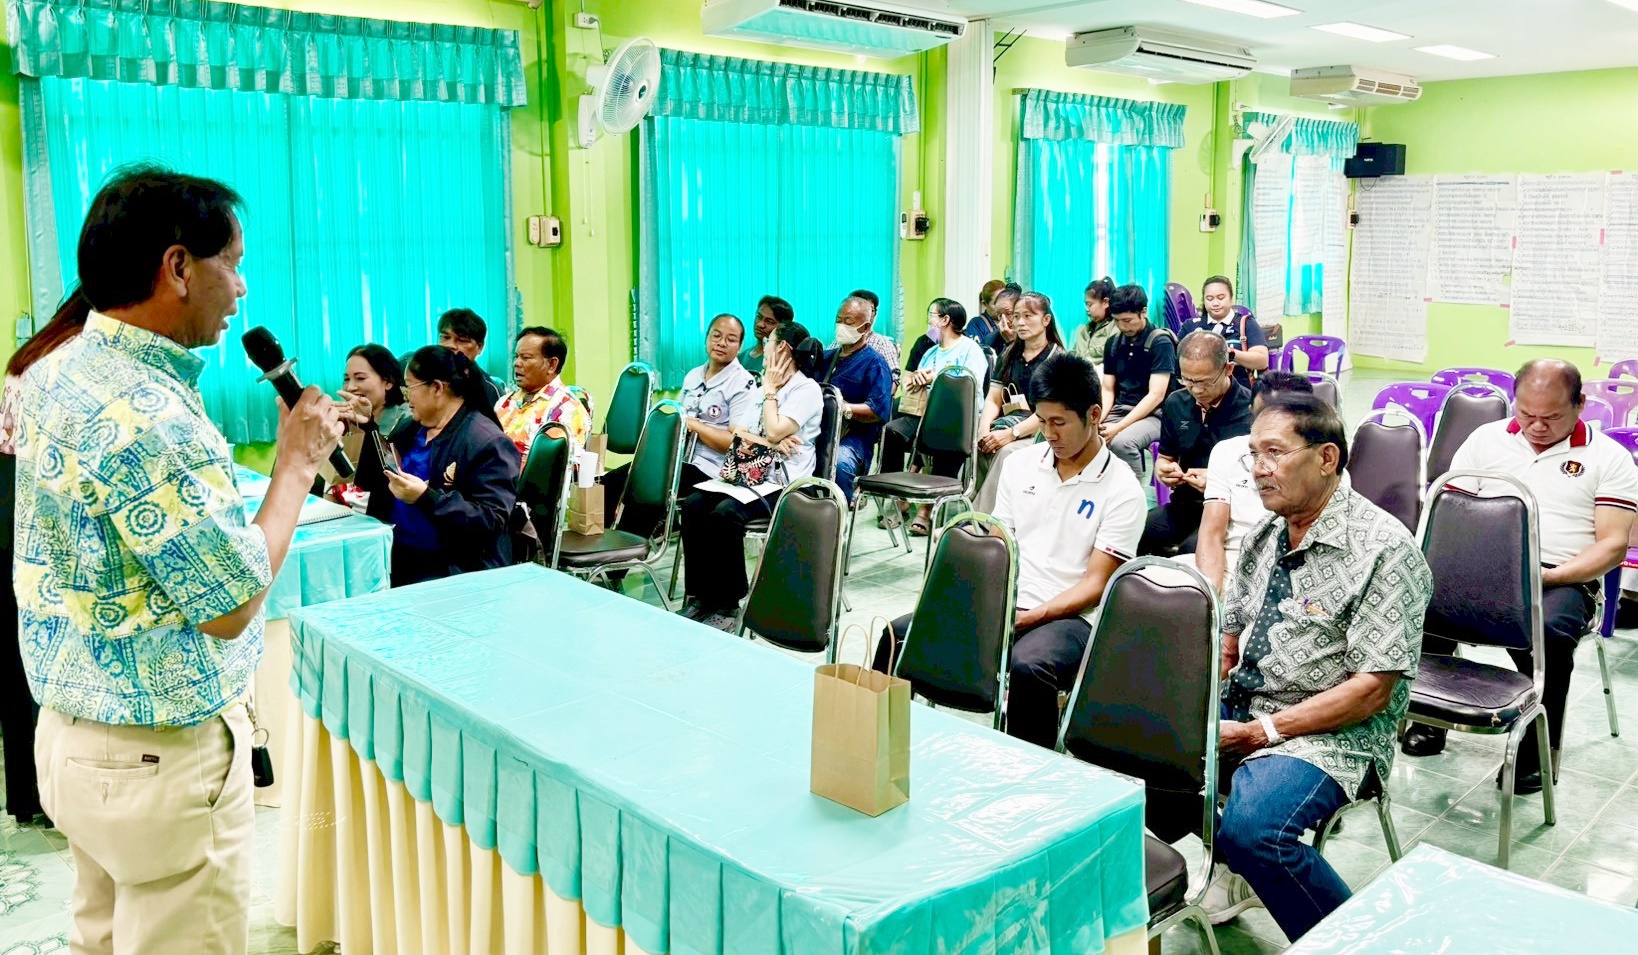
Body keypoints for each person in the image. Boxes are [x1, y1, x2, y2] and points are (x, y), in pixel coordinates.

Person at [16, 167, 345, 954]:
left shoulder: (54, 371)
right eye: (233, 263)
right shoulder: (150, 411)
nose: (241, 289)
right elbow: (229, 606)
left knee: (101, 933)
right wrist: (296, 465)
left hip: (72, 734)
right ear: (178, 268)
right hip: (158, 756)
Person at [1205, 393, 1432, 942]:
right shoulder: (1266, 534)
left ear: (1326, 458)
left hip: (1335, 733)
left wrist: (1261, 732)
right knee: (1130, 756)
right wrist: (1199, 690)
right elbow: (1229, 639)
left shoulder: (1384, 549)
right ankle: (1239, 869)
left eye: (1275, 453)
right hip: (1251, 702)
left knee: (1257, 831)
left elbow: (1372, 691)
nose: (1259, 469)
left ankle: (1353, 945)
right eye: (1254, 454)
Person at [873, 353, 1145, 748]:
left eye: (1059, 423)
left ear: (1094, 415)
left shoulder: (1121, 489)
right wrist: (982, 600)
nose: (1049, 434)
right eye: (1042, 421)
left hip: (1073, 616)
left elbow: (1096, 584)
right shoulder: (1021, 465)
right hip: (1007, 600)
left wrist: (1031, 617)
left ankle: (1027, 772)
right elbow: (1000, 542)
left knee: (1027, 666)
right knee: (898, 635)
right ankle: (879, 748)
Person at [1402, 359, 1638, 794]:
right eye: (1527, 414)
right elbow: (1451, 516)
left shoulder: (1609, 458)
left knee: (1549, 632)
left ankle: (1535, 751)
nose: (1537, 427)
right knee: (1424, 606)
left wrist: (1545, 579)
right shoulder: (1486, 439)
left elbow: (1612, 546)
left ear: (1581, 404)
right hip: (1482, 566)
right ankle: (1432, 718)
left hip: (1562, 576)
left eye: (1552, 417)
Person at [0, 288, 91, 826]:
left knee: (16, 663)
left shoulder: (30, 355)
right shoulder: (75, 361)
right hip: (33, 505)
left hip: (8, 500)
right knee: (49, 653)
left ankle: (27, 795)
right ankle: (49, 795)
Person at [678, 321, 825, 630]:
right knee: (693, 505)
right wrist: (771, 441)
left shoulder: (806, 389)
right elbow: (739, 433)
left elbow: (773, 428)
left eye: (768, 342)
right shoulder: (760, 389)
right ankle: (700, 596)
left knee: (725, 514)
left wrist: (771, 396)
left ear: (781, 348)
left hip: (784, 484)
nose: (763, 347)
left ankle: (728, 604)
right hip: (748, 476)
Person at [356, 346, 521, 586]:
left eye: (409, 388)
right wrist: (368, 427)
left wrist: (425, 497)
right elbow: (374, 482)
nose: (405, 397)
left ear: (436, 388)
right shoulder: (410, 429)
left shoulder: (487, 442)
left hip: (453, 567)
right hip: (399, 553)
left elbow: (491, 520)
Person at [605, 313, 759, 532]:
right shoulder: (693, 376)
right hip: (677, 460)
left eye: (731, 339)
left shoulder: (743, 384)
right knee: (611, 482)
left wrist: (695, 426)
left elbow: (735, 444)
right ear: (707, 338)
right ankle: (604, 543)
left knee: (645, 484)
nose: (722, 343)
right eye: (716, 335)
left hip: (710, 468)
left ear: (740, 346)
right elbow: (678, 422)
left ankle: (630, 548)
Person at [1193, 372, 1315, 592]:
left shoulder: (1321, 465)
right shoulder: (1227, 452)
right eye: (1263, 416)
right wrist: (1210, 597)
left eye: (1284, 419)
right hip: (1232, 565)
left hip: (1292, 577)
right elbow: (1212, 533)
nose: (1271, 428)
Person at [880, 298, 989, 536]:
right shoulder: (930, 351)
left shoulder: (970, 350)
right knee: (893, 431)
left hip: (956, 418)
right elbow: (910, 383)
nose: (928, 320)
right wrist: (916, 379)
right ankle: (897, 494)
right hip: (924, 412)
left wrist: (936, 378)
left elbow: (971, 386)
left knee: (943, 437)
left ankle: (926, 509)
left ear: (945, 320)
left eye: (932, 315)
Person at [1139, 330, 1253, 557]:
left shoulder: (1252, 410)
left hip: (1231, 511)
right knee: (1133, 531)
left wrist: (1218, 481)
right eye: (1188, 380)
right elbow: (1166, 457)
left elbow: (1261, 478)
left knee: (1192, 550)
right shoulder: (1176, 403)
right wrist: (1163, 470)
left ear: (1228, 369)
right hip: (1186, 505)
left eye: (1205, 382)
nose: (1197, 390)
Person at [974, 291, 1065, 496]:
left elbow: (1048, 414)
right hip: (1008, 423)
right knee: (979, 444)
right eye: (1016, 316)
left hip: (1042, 431)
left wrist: (1011, 434)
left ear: (1046, 320)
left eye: (1027, 316)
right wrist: (984, 430)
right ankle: (976, 502)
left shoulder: (1058, 359)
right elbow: (994, 399)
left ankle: (985, 514)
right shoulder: (1009, 354)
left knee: (1006, 453)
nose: (1020, 323)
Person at [1101, 284, 1178, 478]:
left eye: (1127, 320)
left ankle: (1133, 494)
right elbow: (1108, 389)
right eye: (1117, 321)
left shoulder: (1160, 342)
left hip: (1156, 415)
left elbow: (1156, 395)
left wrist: (1118, 427)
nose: (1122, 327)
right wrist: (1098, 419)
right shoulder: (1113, 344)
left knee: (1122, 443)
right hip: (1121, 410)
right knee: (1084, 436)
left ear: (1143, 312)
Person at [822, 295, 895, 501]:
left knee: (839, 463)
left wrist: (845, 408)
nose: (841, 326)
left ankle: (839, 512)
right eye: (838, 320)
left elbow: (877, 410)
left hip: (854, 440)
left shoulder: (875, 364)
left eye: (848, 322)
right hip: (820, 432)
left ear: (866, 327)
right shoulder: (826, 359)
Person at [494, 325, 592, 454]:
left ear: (552, 365)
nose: (516, 363)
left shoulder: (567, 409)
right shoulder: (505, 402)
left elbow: (550, 463)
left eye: (526, 357)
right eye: (516, 356)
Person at [1183, 276, 1269, 389]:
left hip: (1239, 391)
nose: (1215, 303)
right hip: (1199, 390)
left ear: (1231, 298)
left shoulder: (1246, 323)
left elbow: (1262, 361)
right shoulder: (1191, 326)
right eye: (1209, 299)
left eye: (1221, 298)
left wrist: (1230, 353)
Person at [438, 307, 505, 407]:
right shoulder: (422, 379)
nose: (450, 345)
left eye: (462, 340)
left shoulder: (490, 391)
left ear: (480, 347)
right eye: (445, 337)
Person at [848, 287, 901, 372]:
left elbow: (893, 377)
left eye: (870, 310)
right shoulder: (837, 344)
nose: (865, 314)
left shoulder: (883, 345)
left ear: (875, 314)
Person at [1071, 276, 1119, 368]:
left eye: (1089, 304)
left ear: (1105, 302)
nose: (1086, 309)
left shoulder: (1116, 328)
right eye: (1085, 304)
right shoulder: (1083, 331)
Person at [740, 294, 792, 376]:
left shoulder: (781, 361)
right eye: (759, 317)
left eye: (769, 321)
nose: (760, 324)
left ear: (783, 327)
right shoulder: (741, 357)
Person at [967, 279, 1005, 348]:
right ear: (984, 304)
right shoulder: (976, 324)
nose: (1002, 306)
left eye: (1005, 302)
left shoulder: (1014, 321)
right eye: (996, 303)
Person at [992, 282, 1022, 347]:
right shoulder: (992, 340)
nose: (1005, 321)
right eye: (1000, 315)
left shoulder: (1032, 336)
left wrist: (1011, 342)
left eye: (1009, 313)